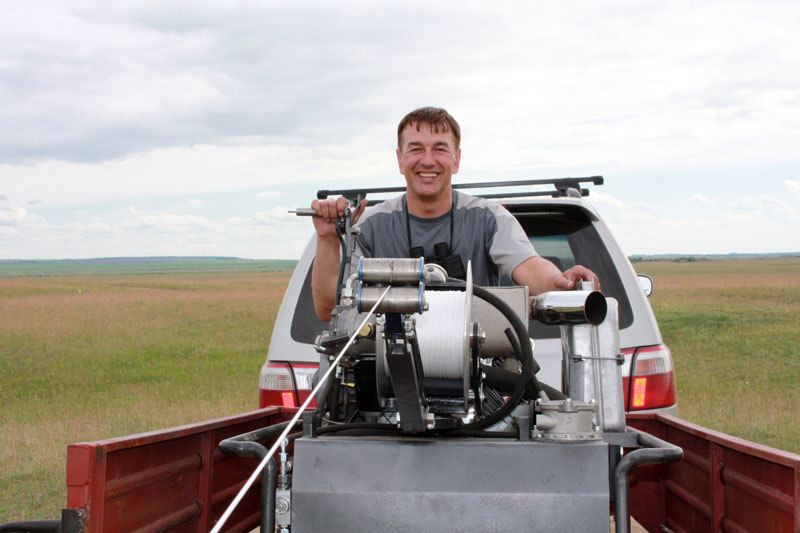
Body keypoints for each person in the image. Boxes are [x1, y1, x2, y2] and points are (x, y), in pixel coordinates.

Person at [310, 107, 599, 321]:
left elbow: (531, 268)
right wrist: (326, 239)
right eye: (416, 149)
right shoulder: (368, 226)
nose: (427, 161)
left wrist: (563, 284)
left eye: (440, 149)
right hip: (386, 374)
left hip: (481, 369)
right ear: (400, 159)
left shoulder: (489, 219)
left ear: (456, 159)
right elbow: (328, 309)